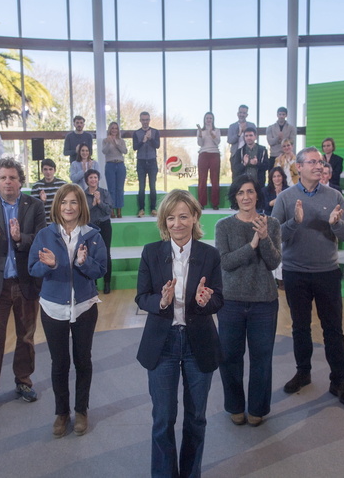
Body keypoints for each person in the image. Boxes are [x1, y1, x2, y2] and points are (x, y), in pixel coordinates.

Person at [135, 189, 223, 478]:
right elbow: (141, 297)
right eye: (171, 218)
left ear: (195, 217)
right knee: (163, 418)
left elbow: (218, 298)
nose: (177, 223)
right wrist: (161, 301)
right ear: (164, 221)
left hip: (199, 341)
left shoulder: (210, 255)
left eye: (183, 216)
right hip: (163, 344)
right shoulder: (151, 252)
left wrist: (204, 301)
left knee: (196, 419)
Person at [271, 147, 344, 409]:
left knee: (334, 330)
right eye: (313, 162)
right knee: (300, 327)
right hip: (295, 273)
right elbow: (275, 236)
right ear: (298, 167)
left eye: (321, 162)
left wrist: (335, 225)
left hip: (327, 274)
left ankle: (339, 381)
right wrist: (294, 222)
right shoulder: (286, 198)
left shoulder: (334, 196)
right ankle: (303, 372)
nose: (319, 166)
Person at [28, 183, 107, 438]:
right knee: (59, 363)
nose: (68, 207)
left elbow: (101, 271)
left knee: (83, 361)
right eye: (64, 202)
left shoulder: (93, 235)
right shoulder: (45, 235)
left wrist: (85, 263)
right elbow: (33, 269)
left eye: (73, 202)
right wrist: (49, 265)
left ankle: (81, 410)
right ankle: (61, 413)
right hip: (52, 308)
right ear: (57, 206)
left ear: (81, 206)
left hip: (84, 307)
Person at [0, 158, 46, 417]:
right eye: (3, 178)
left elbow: (40, 239)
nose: (8, 182)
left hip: (26, 282)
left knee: (26, 337)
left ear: (20, 181)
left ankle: (23, 381)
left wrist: (19, 239)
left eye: (12, 177)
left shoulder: (35, 205)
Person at [215, 175, 281, 427]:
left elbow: (274, 262)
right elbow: (226, 262)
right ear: (235, 197)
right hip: (230, 302)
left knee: (261, 358)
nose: (246, 196)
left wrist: (263, 237)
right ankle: (234, 406)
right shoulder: (224, 226)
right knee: (230, 357)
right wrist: (252, 244)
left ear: (257, 195)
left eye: (250, 191)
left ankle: (257, 408)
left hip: (264, 302)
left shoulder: (271, 224)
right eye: (241, 192)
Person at [84, 169, 113, 294]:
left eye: (95, 177)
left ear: (98, 179)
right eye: (91, 177)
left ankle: (107, 283)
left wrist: (99, 202)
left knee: (106, 253)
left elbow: (108, 210)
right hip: (90, 226)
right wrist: (93, 204)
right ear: (87, 180)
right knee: (90, 254)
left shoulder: (104, 192)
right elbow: (83, 211)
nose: (93, 180)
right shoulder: (83, 195)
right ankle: (93, 283)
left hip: (104, 225)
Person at [133, 111, 160, 217]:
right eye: (143, 120)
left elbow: (157, 145)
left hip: (152, 161)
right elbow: (135, 147)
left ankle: (153, 209)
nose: (145, 122)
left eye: (147, 120)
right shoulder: (136, 133)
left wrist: (150, 138)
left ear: (149, 120)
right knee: (141, 187)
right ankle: (141, 209)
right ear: (140, 120)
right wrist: (143, 140)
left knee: (153, 186)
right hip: (141, 162)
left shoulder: (155, 132)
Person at [196, 112, 221, 209]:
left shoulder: (217, 130)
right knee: (202, 179)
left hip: (215, 154)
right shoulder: (200, 130)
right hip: (203, 154)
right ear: (204, 119)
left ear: (213, 119)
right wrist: (200, 134)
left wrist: (211, 134)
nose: (209, 120)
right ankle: (201, 203)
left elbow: (218, 142)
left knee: (215, 179)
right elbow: (200, 144)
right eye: (207, 118)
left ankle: (215, 203)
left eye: (210, 118)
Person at [102, 121, 127, 218]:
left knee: (120, 189)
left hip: (120, 165)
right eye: (112, 128)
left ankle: (119, 210)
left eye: (116, 128)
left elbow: (124, 151)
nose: (114, 130)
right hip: (110, 165)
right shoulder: (105, 140)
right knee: (111, 189)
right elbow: (104, 151)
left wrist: (116, 143)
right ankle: (111, 210)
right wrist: (109, 143)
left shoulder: (121, 141)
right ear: (109, 129)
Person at [30, 158, 66, 224]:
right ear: (42, 170)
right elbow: (33, 208)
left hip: (60, 222)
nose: (48, 172)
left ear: (54, 170)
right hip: (44, 223)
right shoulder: (37, 186)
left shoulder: (63, 185)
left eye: (50, 169)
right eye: (45, 169)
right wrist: (42, 202)